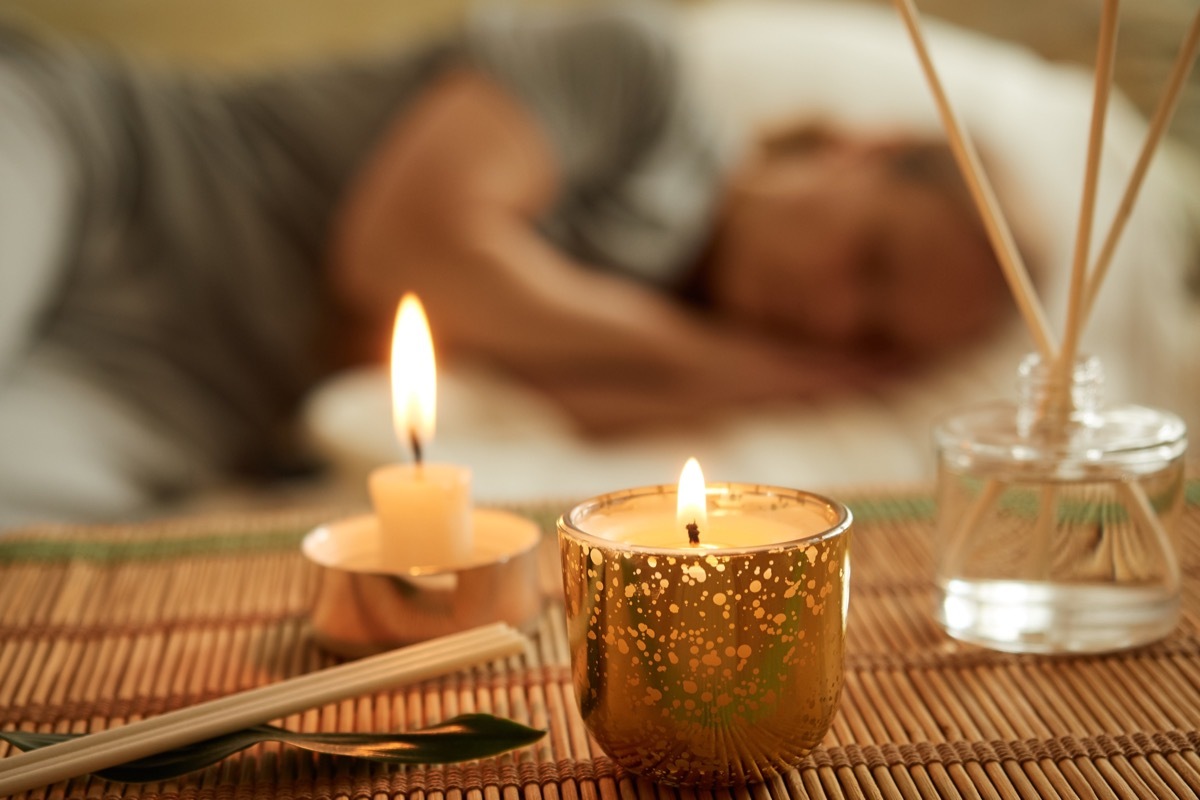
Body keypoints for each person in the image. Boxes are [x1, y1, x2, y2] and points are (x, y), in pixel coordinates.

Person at [0, 4, 1009, 527]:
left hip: (173, 386)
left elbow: (377, 350)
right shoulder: (639, 78)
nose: (834, 313)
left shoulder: (654, 364)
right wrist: (707, 362)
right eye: (873, 260)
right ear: (861, 151)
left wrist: (698, 373)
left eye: (873, 338)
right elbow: (403, 255)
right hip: (97, 157)